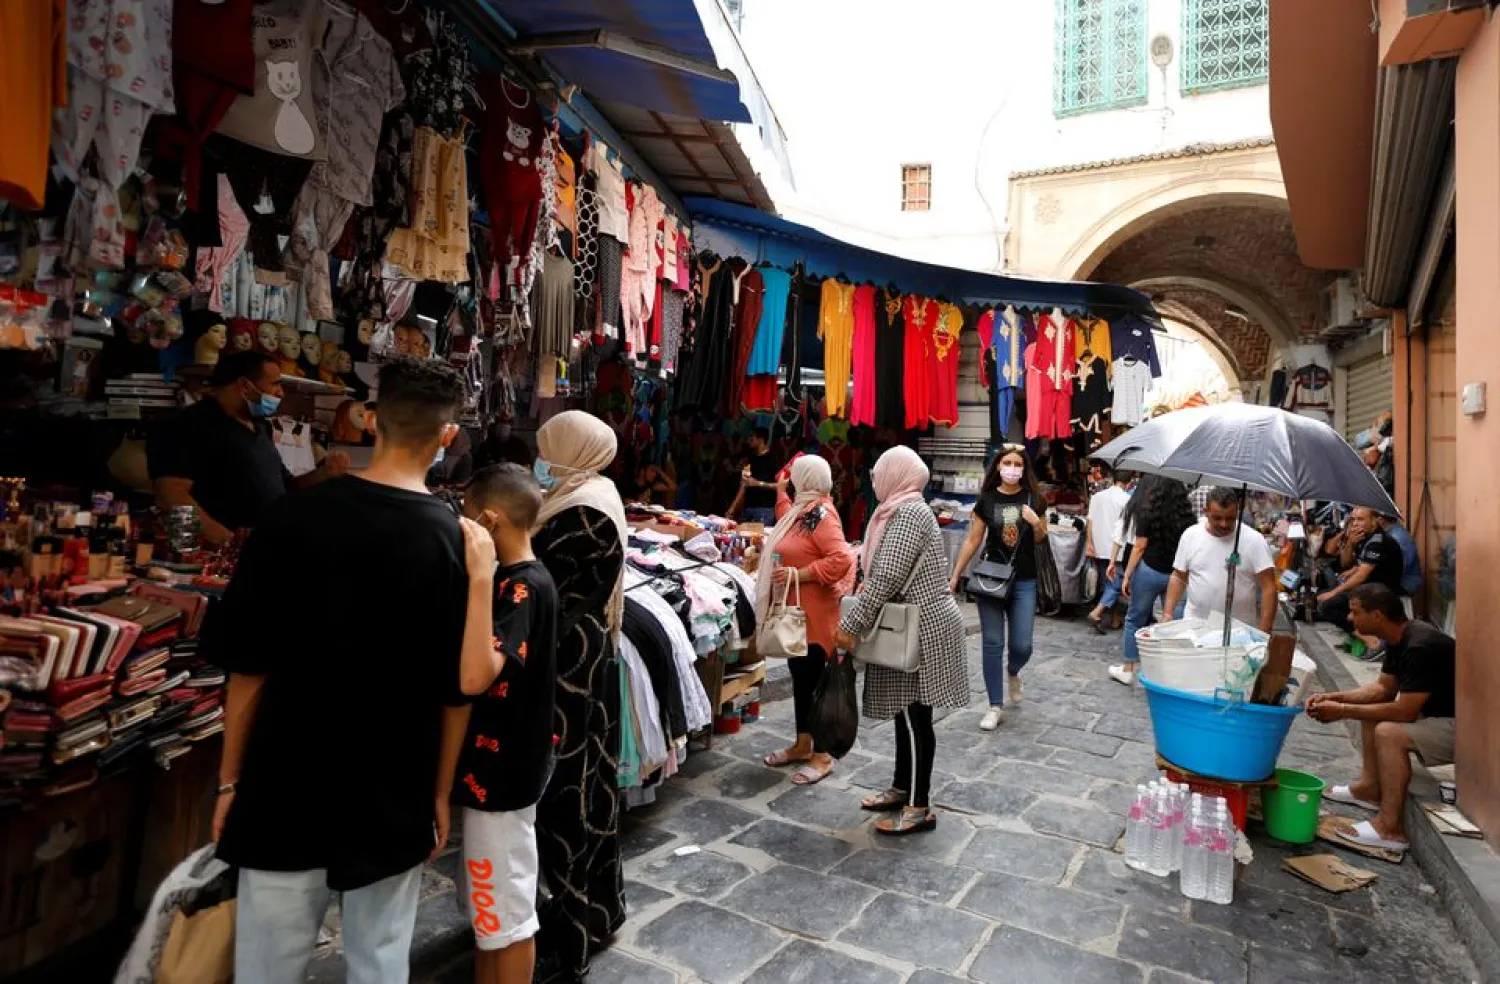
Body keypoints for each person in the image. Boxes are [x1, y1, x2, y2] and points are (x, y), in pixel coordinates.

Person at [210, 357, 499, 984]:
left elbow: (248, 667)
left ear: (371, 422)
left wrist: (230, 781)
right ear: (447, 437)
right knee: (380, 960)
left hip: (286, 774)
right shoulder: (461, 543)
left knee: (267, 963)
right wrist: (440, 793)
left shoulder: (292, 516)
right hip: (395, 779)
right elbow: (459, 693)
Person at [528, 411, 629, 983]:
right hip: (587, 655)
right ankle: (594, 909)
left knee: (569, 793)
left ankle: (567, 939)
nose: (542, 459)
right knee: (588, 788)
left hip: (570, 663)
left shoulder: (581, 512)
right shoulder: (594, 493)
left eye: (547, 449)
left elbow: (548, 584)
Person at [453, 464, 558, 984]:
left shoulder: (521, 590)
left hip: (502, 776)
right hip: (498, 772)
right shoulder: (525, 582)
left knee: (506, 915)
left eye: (469, 518)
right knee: (490, 910)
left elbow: (476, 675)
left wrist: (476, 576)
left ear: (490, 520)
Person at [836, 446, 968, 836]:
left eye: (880, 472)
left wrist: (854, 624)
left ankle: (918, 806)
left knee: (914, 718)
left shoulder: (909, 513)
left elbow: (888, 576)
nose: (875, 478)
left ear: (896, 474)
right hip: (908, 625)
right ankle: (900, 788)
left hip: (921, 628)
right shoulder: (896, 511)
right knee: (904, 713)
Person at [1308, 584, 1455, 853]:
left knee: (1389, 732)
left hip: (1464, 729)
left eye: (1355, 612)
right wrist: (1334, 698)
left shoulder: (1420, 645)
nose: (1350, 619)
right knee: (1376, 711)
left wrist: (1341, 712)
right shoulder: (1400, 638)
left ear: (1377, 616)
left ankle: (1389, 828)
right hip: (1436, 715)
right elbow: (1382, 689)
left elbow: (1405, 712)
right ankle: (1369, 789)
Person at [148, 349, 348, 545]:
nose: (280, 393)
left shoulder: (259, 429)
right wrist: (223, 540)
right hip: (214, 561)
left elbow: (285, 487)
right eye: (275, 384)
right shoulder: (191, 424)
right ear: (245, 386)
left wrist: (324, 473)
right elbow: (171, 494)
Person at [756, 455, 855, 784]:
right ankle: (802, 744)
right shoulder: (803, 512)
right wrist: (781, 494)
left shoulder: (822, 514)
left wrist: (802, 574)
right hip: (798, 616)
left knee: (816, 686)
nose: (792, 479)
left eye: (795, 476)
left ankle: (822, 754)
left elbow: (841, 558)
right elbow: (789, 525)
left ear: (807, 478)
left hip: (815, 616)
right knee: (801, 679)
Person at [950, 443, 1047, 730]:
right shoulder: (986, 501)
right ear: (998, 467)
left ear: (1024, 469)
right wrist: (956, 574)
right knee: (992, 642)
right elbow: (972, 540)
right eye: (1008, 464)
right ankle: (995, 705)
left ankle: (1013, 670)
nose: (1013, 469)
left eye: (1018, 465)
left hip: (1024, 580)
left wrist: (1036, 523)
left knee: (1022, 644)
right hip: (991, 578)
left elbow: (1042, 538)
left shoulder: (1035, 499)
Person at [1109, 474, 1195, 686]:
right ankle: (1170, 672)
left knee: (1134, 619)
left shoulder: (1148, 512)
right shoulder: (1187, 517)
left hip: (1149, 570)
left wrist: (1127, 574)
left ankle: (1129, 668)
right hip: (1177, 574)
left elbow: (1139, 546)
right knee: (1175, 624)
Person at [1163, 486, 1279, 635]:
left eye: (1230, 518)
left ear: (1237, 512)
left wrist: (1264, 631)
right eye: (1217, 518)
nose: (1224, 524)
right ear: (1206, 512)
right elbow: (1179, 576)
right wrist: (1167, 614)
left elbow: (1268, 587)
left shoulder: (1254, 540)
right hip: (1196, 628)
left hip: (1239, 631)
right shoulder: (1190, 536)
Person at [1316, 508, 1406, 629]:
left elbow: (1362, 575)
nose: (1355, 523)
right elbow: (1345, 564)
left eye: (1360, 519)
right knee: (1320, 594)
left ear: (1374, 521)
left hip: (1379, 591)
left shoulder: (1378, 542)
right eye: (1353, 519)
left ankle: (1361, 633)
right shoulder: (1363, 537)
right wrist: (1350, 544)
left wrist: (1333, 593)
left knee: (1326, 606)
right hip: (1364, 587)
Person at [1085, 467, 1132, 633]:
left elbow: (1089, 521)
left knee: (1108, 583)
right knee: (1116, 584)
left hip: (1099, 545)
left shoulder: (1097, 496)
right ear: (1129, 483)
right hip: (1116, 549)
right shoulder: (1127, 499)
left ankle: (1115, 618)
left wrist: (1089, 543)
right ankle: (1097, 612)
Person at [730, 425, 779, 525]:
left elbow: (780, 486)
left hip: (765, 510)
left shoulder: (774, 459)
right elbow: (743, 484)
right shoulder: (750, 458)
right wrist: (733, 508)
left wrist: (758, 483)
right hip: (747, 508)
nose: (749, 440)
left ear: (760, 440)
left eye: (751, 437)